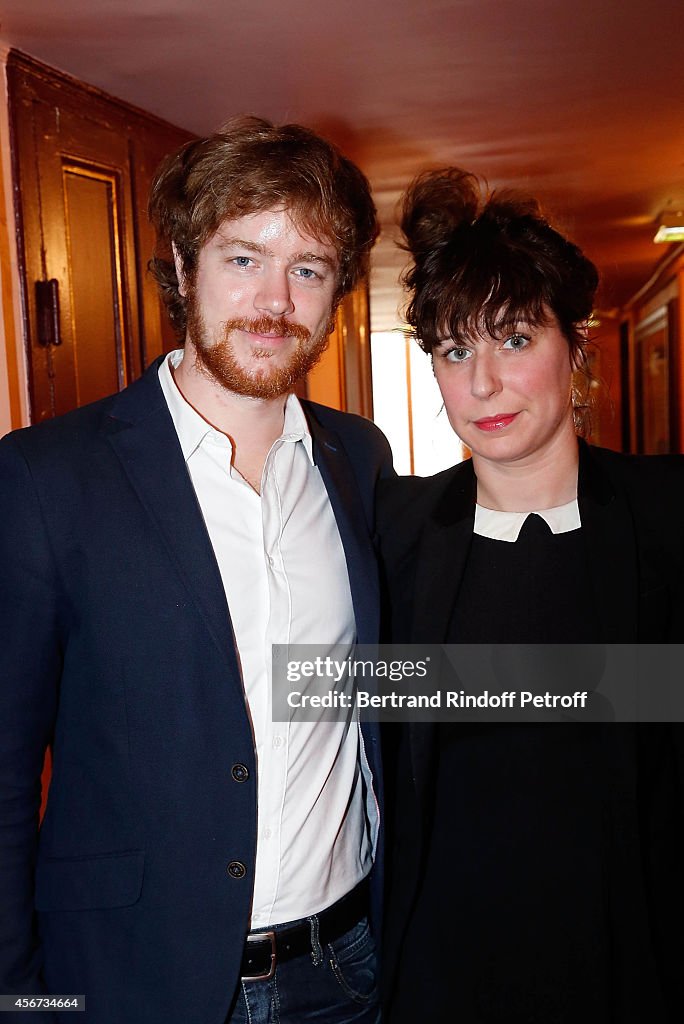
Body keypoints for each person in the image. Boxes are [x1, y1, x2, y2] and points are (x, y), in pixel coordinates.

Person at [0, 116, 393, 1024]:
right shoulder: (45, 478)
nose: (274, 302)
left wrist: (607, 687)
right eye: (243, 258)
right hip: (132, 983)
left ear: (336, 292)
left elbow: (381, 686)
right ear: (182, 268)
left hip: (348, 970)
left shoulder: (360, 462)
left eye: (308, 269)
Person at [378, 168, 684, 1022]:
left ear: (576, 343)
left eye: (513, 339)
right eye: (453, 349)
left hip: (633, 967)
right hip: (439, 974)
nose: (481, 385)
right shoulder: (391, 533)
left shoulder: (667, 519)